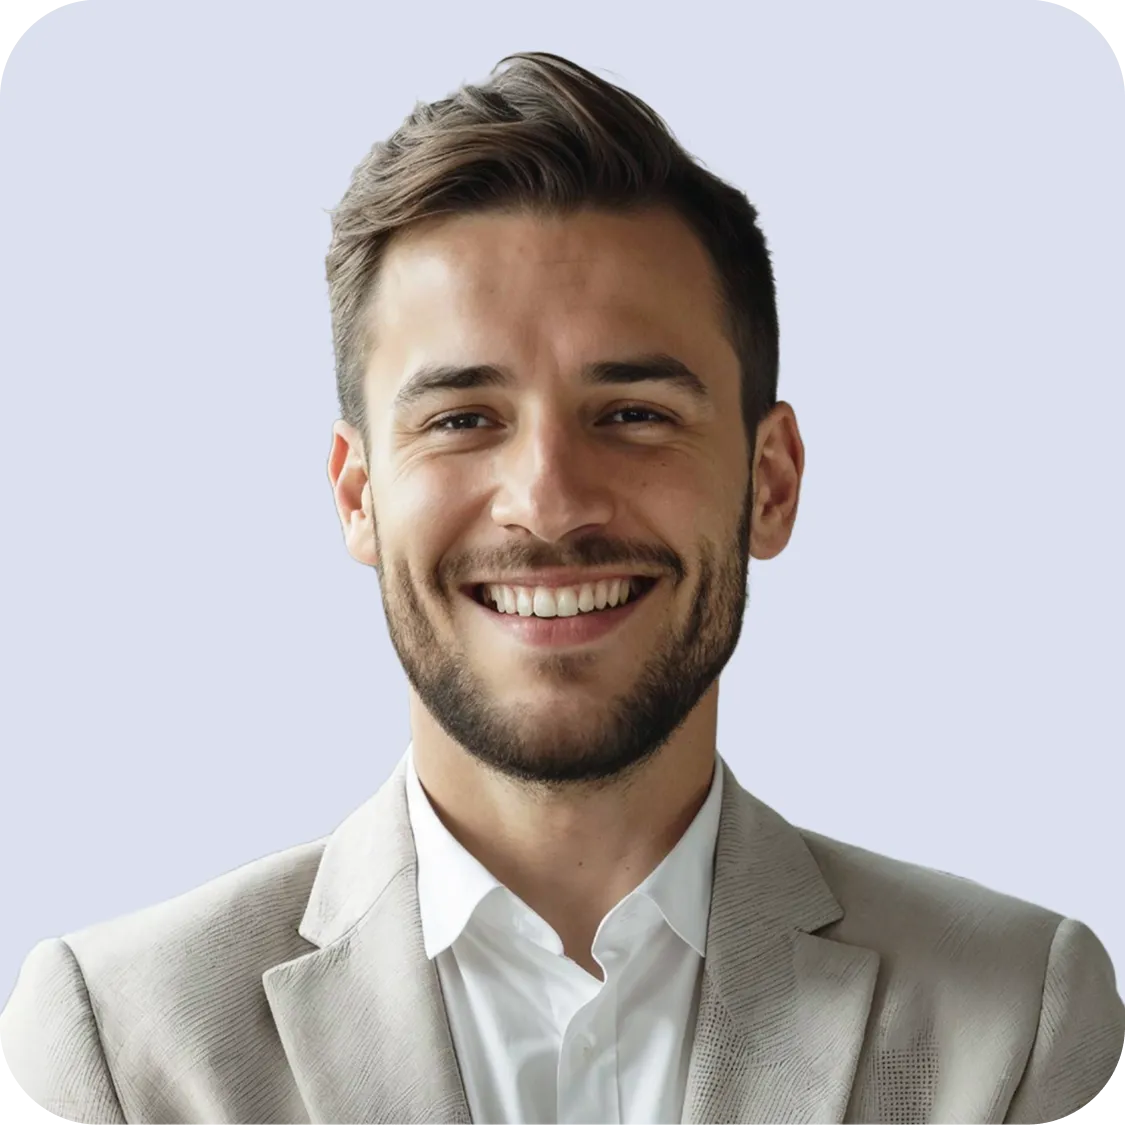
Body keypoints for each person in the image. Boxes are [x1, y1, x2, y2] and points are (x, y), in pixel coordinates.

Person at [1, 50, 1121, 1125]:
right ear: (358, 496)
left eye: (633, 414)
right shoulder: (120, 1050)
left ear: (770, 483)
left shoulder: (1020, 1021)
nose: (547, 500)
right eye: (461, 420)